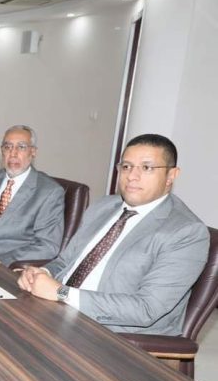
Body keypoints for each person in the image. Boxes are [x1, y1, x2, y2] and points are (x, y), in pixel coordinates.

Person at [17, 134, 208, 336]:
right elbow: (65, 262)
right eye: (126, 166)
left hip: (113, 335)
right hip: (56, 310)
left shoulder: (186, 232)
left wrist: (62, 293)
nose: (132, 176)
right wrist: (42, 273)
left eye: (146, 168)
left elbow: (146, 309)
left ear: (171, 175)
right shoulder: (103, 206)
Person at [0, 125, 64, 266]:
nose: (13, 153)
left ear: (33, 152)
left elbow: (48, 245)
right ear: (2, 151)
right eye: (7, 147)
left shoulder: (49, 192)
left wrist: (2, 261)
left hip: (10, 267)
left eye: (21, 147)